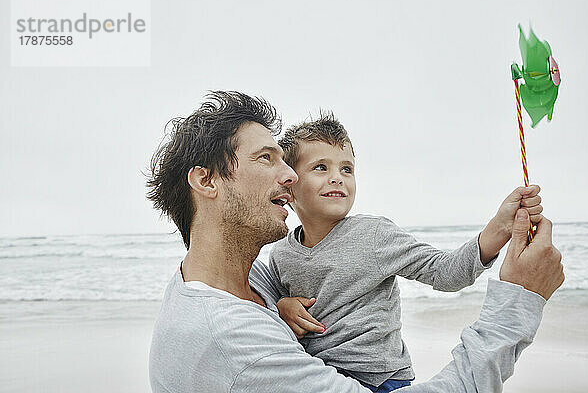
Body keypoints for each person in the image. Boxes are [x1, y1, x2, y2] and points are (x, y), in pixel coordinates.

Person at [147, 91, 564, 393]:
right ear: (206, 180)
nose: (290, 177)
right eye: (265, 158)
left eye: (347, 168)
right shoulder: (236, 340)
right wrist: (519, 299)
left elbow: (445, 270)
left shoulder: (231, 279)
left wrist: (494, 233)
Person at [269, 113, 544, 392]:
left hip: (381, 379)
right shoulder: (280, 254)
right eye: (320, 168)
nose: (337, 178)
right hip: (319, 377)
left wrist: (498, 228)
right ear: (289, 186)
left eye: (347, 169)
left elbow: (445, 272)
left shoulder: (374, 234)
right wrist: (282, 307)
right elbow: (268, 304)